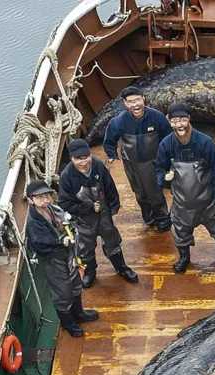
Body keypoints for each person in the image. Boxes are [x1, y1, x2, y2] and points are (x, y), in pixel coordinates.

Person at [155, 102, 215, 274]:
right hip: (182, 204)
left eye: (183, 120)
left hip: (207, 201)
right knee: (181, 234)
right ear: (169, 122)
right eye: (175, 121)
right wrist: (162, 180)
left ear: (189, 120)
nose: (179, 125)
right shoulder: (166, 145)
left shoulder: (204, 142)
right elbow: (159, 167)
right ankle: (184, 259)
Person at [58, 138, 138, 289]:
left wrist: (114, 205)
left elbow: (109, 186)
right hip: (83, 220)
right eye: (78, 159)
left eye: (86, 157)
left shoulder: (98, 165)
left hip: (103, 215)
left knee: (113, 241)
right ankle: (90, 273)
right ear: (72, 159)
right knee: (86, 248)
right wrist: (87, 208)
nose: (84, 162)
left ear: (90, 155)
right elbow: (65, 204)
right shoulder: (66, 177)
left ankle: (122, 268)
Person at [25, 179, 99, 338]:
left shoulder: (52, 209)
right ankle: (68, 324)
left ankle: (79, 314)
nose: (45, 200)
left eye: (47, 196)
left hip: (68, 253)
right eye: (39, 197)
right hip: (53, 260)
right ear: (31, 200)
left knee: (75, 283)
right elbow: (39, 243)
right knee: (63, 291)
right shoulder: (33, 222)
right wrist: (60, 241)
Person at [103, 86, 172, 232]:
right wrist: (112, 156)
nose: (135, 105)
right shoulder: (119, 121)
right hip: (131, 164)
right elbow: (109, 141)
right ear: (125, 103)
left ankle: (163, 220)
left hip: (153, 162)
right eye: (131, 102)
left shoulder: (157, 117)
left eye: (137, 100)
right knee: (140, 193)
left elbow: (168, 138)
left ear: (143, 99)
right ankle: (149, 218)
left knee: (155, 192)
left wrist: (167, 160)